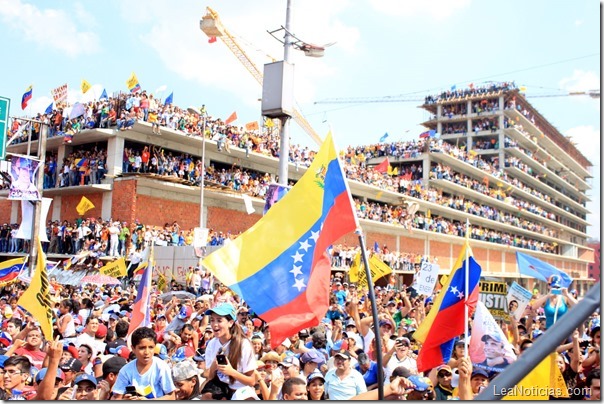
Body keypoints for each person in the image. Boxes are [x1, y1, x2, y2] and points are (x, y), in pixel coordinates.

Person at [203, 302, 256, 398]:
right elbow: (209, 376)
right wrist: (213, 367)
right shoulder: (211, 344)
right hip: (221, 388)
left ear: (230, 323)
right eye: (212, 320)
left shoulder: (243, 344)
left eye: (219, 320)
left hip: (241, 390)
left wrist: (231, 372)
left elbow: (252, 381)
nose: (214, 324)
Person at [111, 326, 176, 399]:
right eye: (142, 348)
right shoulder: (125, 371)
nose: (147, 352)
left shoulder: (161, 367)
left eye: (151, 347)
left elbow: (172, 397)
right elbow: (117, 397)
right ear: (133, 349)